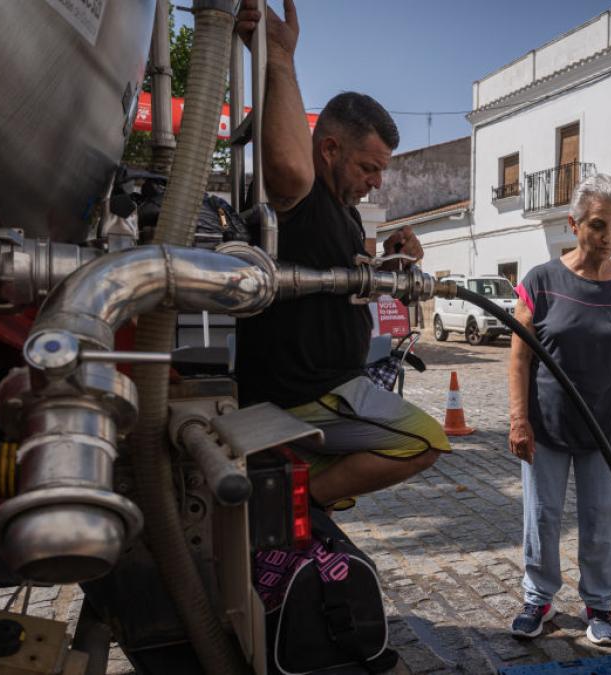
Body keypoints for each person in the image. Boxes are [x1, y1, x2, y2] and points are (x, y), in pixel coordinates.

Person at [234, 0, 447, 510]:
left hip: (333, 383)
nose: (376, 181)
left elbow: (351, 262)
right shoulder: (298, 195)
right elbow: (286, 165)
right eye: (369, 168)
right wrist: (279, 58)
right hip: (304, 390)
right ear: (329, 149)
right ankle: (292, 505)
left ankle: (301, 487)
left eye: (381, 171)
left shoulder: (344, 211)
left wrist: (392, 255)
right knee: (424, 442)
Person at [508, 174, 611, 645]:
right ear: (573, 225)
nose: (608, 237)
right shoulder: (542, 280)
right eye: (598, 225)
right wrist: (518, 418)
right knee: (543, 516)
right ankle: (539, 597)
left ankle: (600, 604)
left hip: (604, 429)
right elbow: (519, 354)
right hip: (547, 426)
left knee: (599, 519)